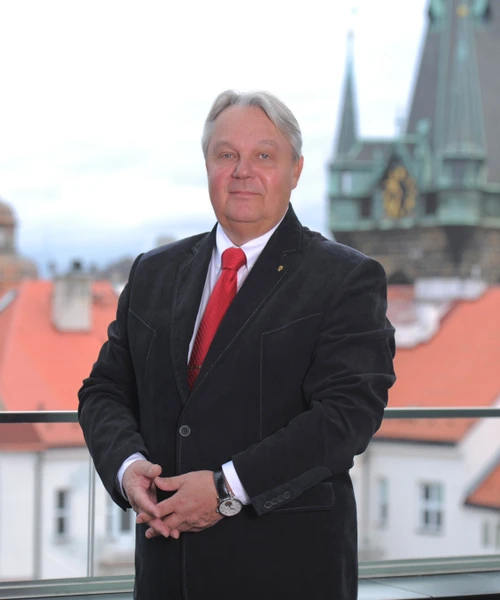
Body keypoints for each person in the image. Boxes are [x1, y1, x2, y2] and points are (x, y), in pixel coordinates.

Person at [78, 90, 396, 600]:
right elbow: (105, 391)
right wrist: (127, 467)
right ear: (207, 165)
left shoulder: (346, 278)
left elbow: (347, 416)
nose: (243, 171)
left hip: (286, 574)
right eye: (226, 154)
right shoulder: (153, 272)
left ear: (296, 170)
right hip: (165, 574)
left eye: (264, 155)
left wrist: (226, 488)